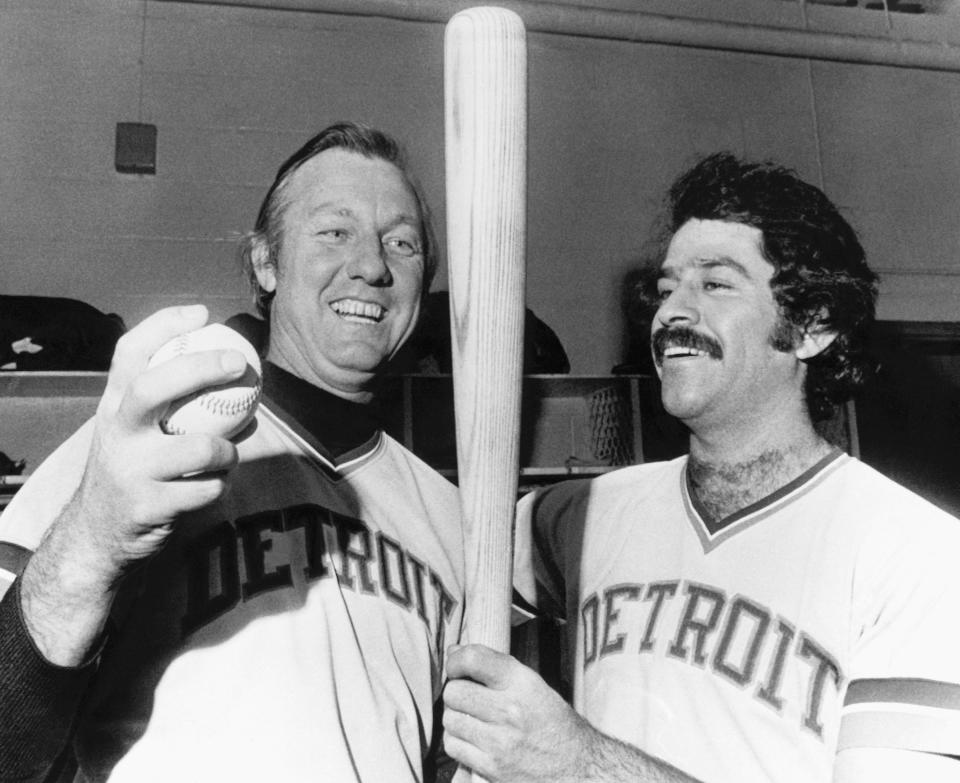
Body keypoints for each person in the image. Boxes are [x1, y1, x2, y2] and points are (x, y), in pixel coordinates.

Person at [441, 152, 960, 782]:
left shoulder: (917, 554)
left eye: (715, 284)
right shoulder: (584, 514)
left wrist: (578, 764)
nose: (671, 313)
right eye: (666, 290)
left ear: (813, 326)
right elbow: (426, 554)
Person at [0, 122, 464, 782]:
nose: (373, 264)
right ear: (265, 262)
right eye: (335, 231)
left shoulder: (450, 516)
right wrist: (92, 540)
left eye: (403, 242)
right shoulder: (141, 450)